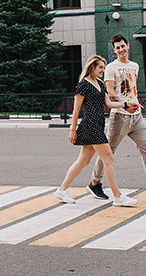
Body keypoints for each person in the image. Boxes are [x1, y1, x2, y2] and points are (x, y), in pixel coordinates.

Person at [87, 34, 146, 202]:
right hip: (120, 117)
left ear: (128, 46)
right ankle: (95, 182)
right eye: (117, 48)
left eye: (123, 46)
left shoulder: (134, 66)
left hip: (137, 117)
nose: (121, 49)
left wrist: (135, 103)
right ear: (114, 51)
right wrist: (125, 104)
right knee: (108, 153)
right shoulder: (111, 68)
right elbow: (111, 93)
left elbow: (131, 89)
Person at [54, 55, 138, 207]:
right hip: (90, 125)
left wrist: (125, 104)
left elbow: (107, 103)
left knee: (83, 161)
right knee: (108, 159)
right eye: (100, 68)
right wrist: (72, 129)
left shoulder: (99, 83)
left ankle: (62, 190)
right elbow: (76, 109)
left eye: (104, 68)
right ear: (92, 67)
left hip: (98, 124)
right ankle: (118, 196)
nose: (103, 71)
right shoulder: (83, 84)